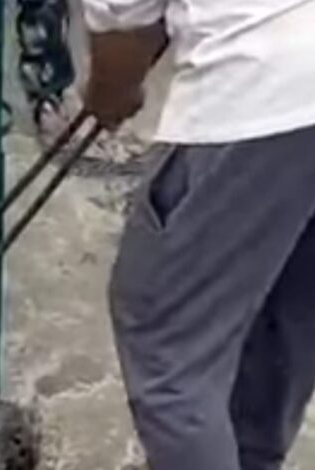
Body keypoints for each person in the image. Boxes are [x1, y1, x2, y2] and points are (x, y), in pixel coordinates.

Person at [81, 0, 315, 469]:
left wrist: (109, 91)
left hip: (261, 88)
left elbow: (122, 18)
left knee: (166, 345)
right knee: (281, 315)